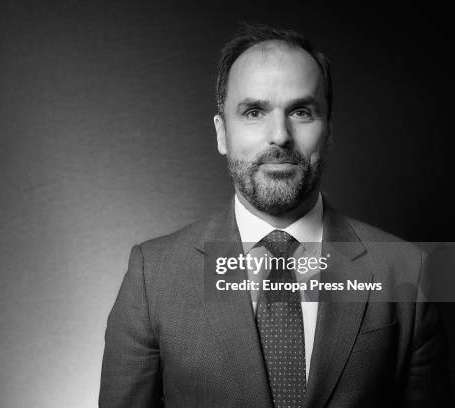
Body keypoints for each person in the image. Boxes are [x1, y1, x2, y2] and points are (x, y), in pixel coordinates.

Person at [99, 23, 452, 408]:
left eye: (301, 111)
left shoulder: (408, 270)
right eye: (253, 111)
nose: (280, 135)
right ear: (221, 133)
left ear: (329, 130)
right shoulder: (153, 275)